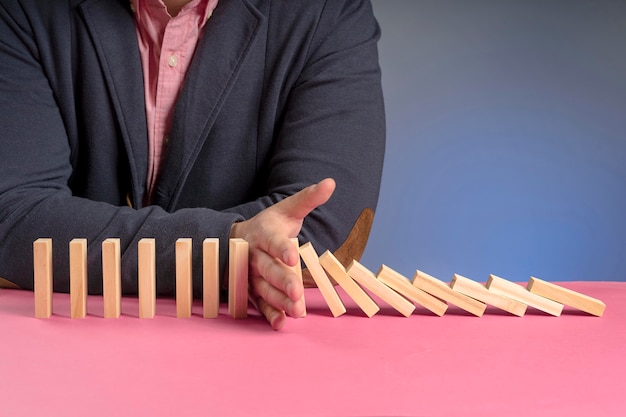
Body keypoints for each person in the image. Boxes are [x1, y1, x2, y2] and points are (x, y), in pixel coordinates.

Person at [0, 0, 385, 330]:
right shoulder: (22, 9)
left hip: (247, 363)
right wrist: (225, 245)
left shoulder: (327, 11)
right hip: (66, 349)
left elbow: (319, 231)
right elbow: (11, 215)